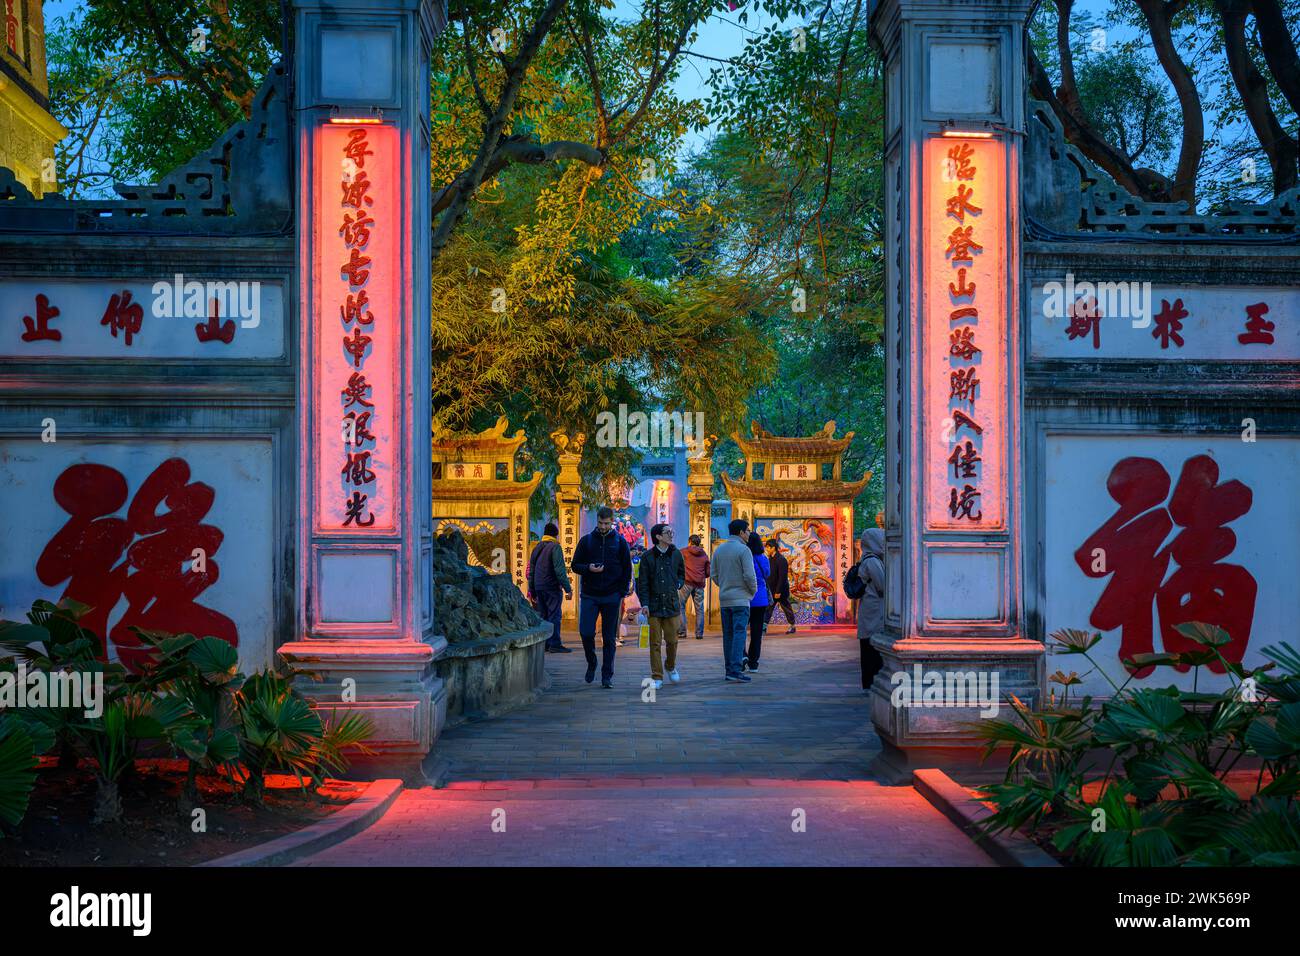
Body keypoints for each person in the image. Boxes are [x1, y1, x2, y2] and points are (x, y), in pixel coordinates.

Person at [571, 506, 633, 688]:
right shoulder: (587, 541)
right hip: (590, 594)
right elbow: (575, 565)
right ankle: (591, 662)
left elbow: (626, 569)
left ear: (612, 522)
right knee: (586, 632)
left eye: (607, 524)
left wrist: (621, 592)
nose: (603, 527)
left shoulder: (620, 542)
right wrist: (588, 568)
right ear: (596, 521)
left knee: (609, 638)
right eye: (600, 523)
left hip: (612, 596)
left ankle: (607, 676)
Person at [636, 522, 685, 689]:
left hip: (671, 605)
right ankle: (657, 676)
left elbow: (681, 573)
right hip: (654, 606)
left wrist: (678, 583)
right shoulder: (647, 557)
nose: (671, 534)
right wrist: (644, 604)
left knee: (672, 641)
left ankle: (670, 666)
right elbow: (642, 583)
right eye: (667, 532)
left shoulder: (676, 554)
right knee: (655, 643)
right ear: (658, 536)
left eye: (672, 531)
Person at [709, 518, 757, 682]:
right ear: (741, 532)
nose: (749, 534)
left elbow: (714, 575)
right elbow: (750, 576)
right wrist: (752, 592)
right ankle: (736, 669)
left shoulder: (719, 550)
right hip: (741, 599)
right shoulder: (744, 550)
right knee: (739, 634)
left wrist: (724, 586)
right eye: (748, 530)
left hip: (725, 598)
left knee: (728, 634)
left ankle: (729, 669)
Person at [527, 521, 573, 653]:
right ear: (556, 535)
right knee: (554, 615)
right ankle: (555, 644)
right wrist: (568, 589)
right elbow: (560, 570)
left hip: (539, 587)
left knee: (544, 616)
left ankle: (546, 644)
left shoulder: (537, 547)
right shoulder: (555, 547)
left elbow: (531, 570)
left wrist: (532, 590)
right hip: (552, 587)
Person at [857, 527, 886, 692]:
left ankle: (869, 682)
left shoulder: (866, 559)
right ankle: (870, 683)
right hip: (874, 610)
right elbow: (882, 585)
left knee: (868, 646)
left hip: (869, 609)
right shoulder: (872, 561)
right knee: (871, 648)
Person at [744, 531, 771, 671]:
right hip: (760, 599)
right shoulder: (763, 558)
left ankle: (742, 655)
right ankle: (753, 663)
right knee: (756, 633)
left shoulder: (744, 556)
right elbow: (767, 574)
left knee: (741, 629)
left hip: (745, 598)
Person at [678, 533, 710, 640]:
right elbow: (708, 572)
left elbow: (677, 566)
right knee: (699, 609)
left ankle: (682, 632)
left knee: (680, 606)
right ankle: (699, 633)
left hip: (686, 582)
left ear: (690, 542)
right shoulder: (704, 554)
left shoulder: (683, 552)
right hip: (699, 584)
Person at [764, 538, 796, 634]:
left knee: (786, 608)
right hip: (771, 590)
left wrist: (778, 591)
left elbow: (782, 577)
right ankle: (763, 627)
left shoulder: (781, 560)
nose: (767, 549)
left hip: (780, 591)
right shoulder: (770, 559)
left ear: (773, 548)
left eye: (768, 547)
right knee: (768, 609)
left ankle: (792, 626)